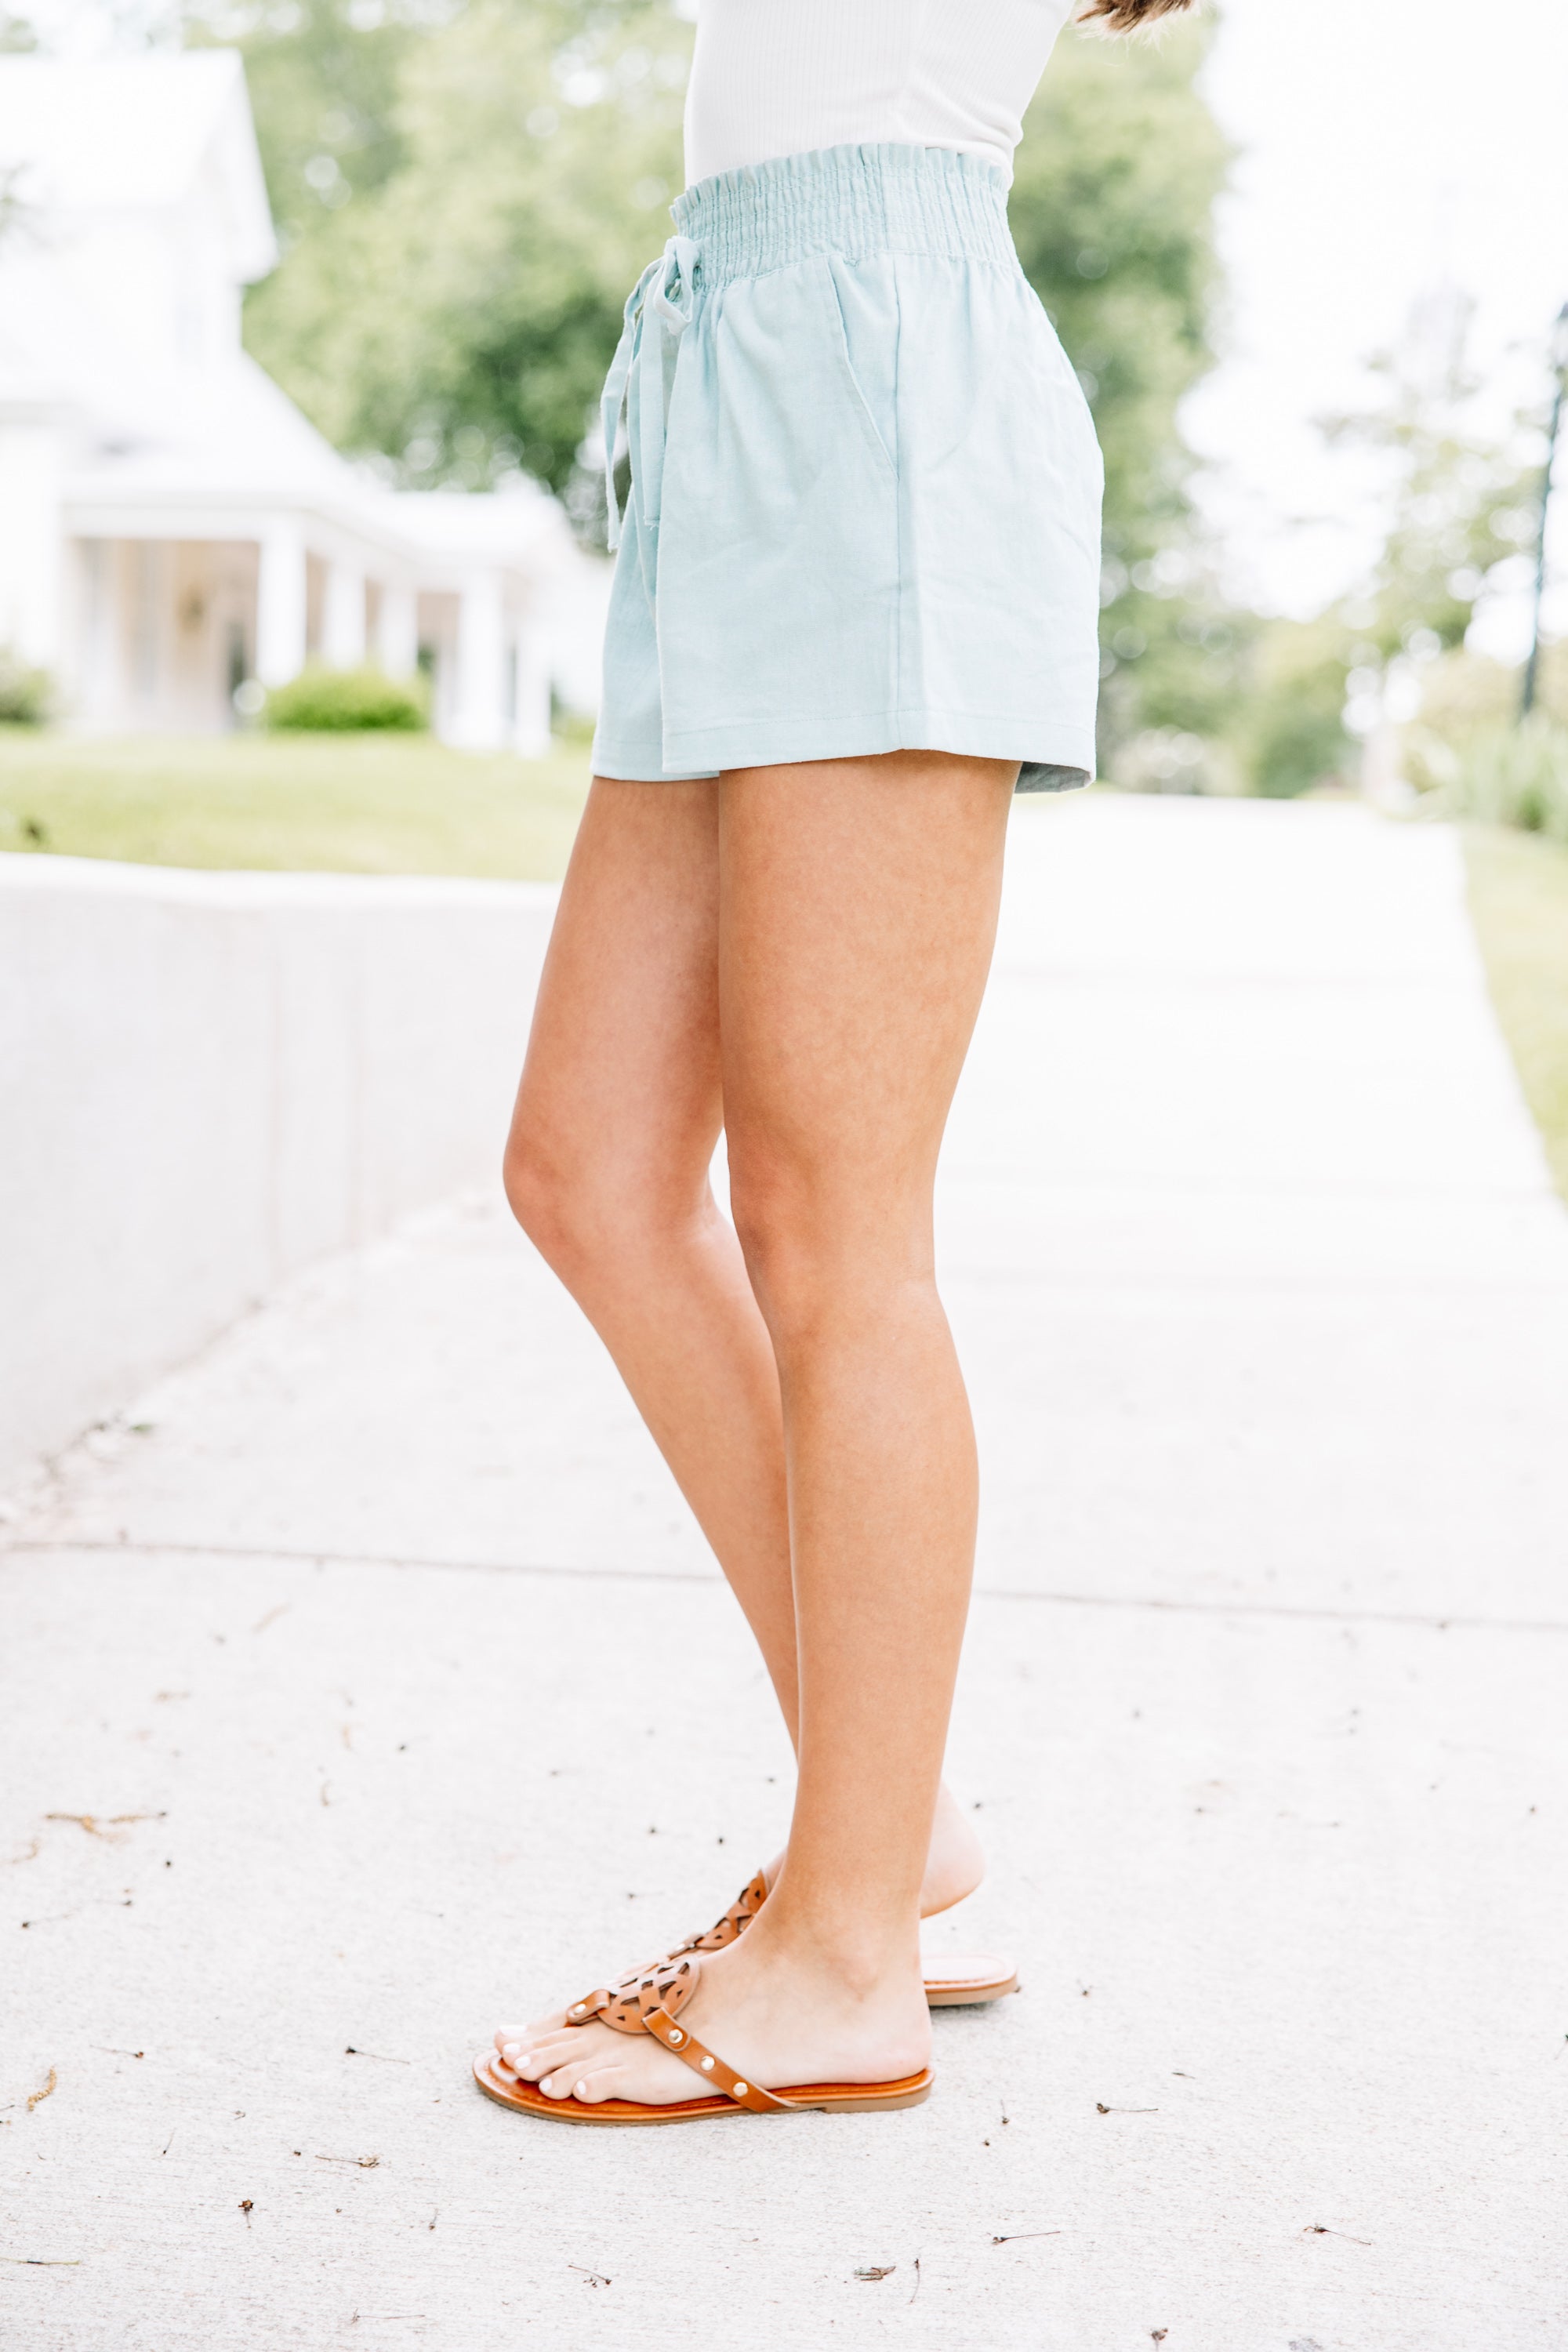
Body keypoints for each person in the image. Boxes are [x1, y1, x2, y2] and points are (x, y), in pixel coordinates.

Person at [477, 0, 1193, 2126]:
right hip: (746, 368)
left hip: (881, 379)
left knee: (833, 1219)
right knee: (592, 1169)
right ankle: (904, 1831)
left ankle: (849, 1949)